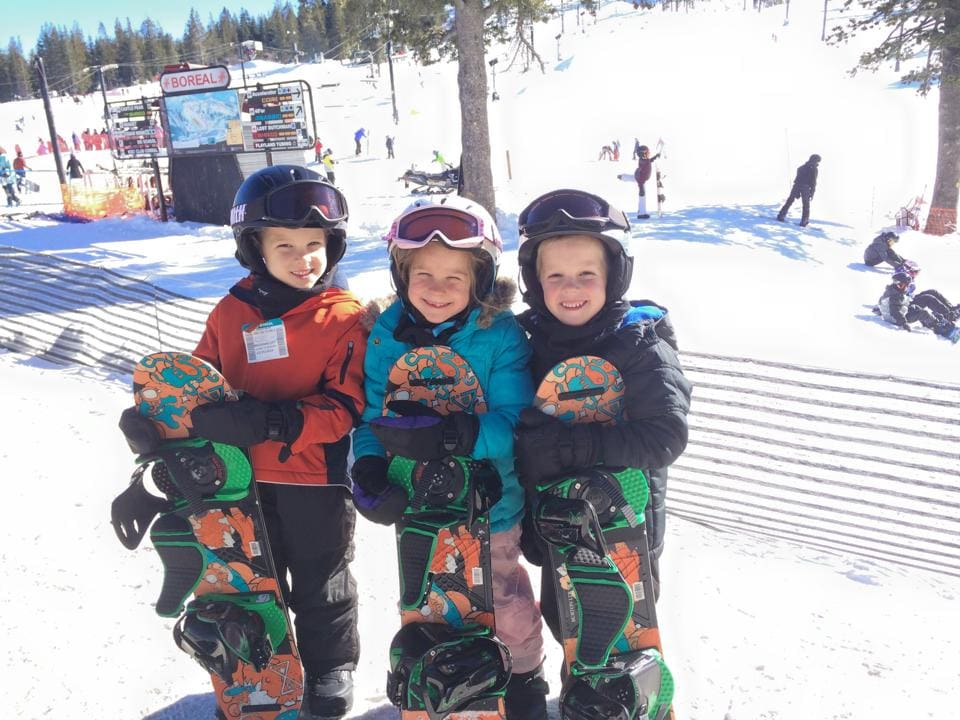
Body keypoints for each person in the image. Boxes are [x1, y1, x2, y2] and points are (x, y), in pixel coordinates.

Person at [118, 165, 368, 719]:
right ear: (253, 248)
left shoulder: (344, 318)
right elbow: (198, 382)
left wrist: (270, 423)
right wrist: (154, 426)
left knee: (320, 578)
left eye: (315, 244)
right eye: (285, 245)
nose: (304, 257)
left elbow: (345, 408)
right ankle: (262, 662)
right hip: (236, 480)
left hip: (314, 479)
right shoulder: (231, 312)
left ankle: (330, 665)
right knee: (250, 575)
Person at [349, 196, 548, 720]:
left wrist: (454, 438)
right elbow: (372, 416)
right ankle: (439, 676)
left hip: (490, 506)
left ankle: (524, 675)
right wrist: (367, 468)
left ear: (479, 281)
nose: (437, 290)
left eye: (454, 278)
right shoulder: (387, 334)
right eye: (424, 275)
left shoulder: (499, 335)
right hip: (418, 507)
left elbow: (514, 422)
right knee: (431, 602)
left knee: (502, 604)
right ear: (401, 274)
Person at [512, 188, 692, 648]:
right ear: (534, 280)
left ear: (614, 275)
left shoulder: (639, 342)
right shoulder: (526, 343)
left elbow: (665, 434)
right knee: (564, 613)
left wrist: (579, 445)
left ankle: (622, 691)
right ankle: (582, 686)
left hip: (624, 519)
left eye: (586, 274)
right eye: (555, 275)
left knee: (616, 616)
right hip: (557, 512)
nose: (570, 288)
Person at [877, 270, 960, 342]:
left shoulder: (895, 290)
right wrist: (904, 323)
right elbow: (895, 311)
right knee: (923, 313)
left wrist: (881, 309)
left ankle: (945, 317)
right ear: (897, 284)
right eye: (902, 285)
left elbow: (885, 303)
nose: (905, 288)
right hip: (899, 319)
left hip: (903, 309)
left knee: (926, 300)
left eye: (906, 286)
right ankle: (939, 327)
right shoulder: (894, 296)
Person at [893, 260, 960, 322]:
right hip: (906, 306)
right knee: (927, 298)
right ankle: (948, 315)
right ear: (908, 270)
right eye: (915, 272)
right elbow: (898, 295)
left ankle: (951, 310)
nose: (916, 274)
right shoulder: (902, 279)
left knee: (932, 291)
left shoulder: (907, 277)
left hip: (909, 300)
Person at [777, 153, 821, 227]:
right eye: (818, 161)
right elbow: (813, 182)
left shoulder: (801, 167)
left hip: (796, 185)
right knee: (806, 205)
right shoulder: (814, 169)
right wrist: (812, 192)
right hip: (806, 187)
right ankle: (804, 221)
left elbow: (797, 178)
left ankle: (781, 215)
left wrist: (797, 190)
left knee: (790, 200)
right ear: (815, 161)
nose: (818, 163)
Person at [632, 144, 661, 219]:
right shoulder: (644, 161)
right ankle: (641, 213)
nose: (649, 154)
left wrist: (655, 157)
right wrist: (641, 186)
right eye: (647, 153)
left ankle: (641, 211)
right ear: (644, 154)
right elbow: (640, 177)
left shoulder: (644, 160)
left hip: (641, 179)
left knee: (643, 197)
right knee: (642, 196)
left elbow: (649, 161)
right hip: (641, 180)